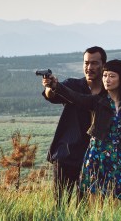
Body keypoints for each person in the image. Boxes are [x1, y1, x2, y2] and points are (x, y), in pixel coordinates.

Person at [49, 59, 121, 200]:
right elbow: (75, 97)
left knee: (118, 207)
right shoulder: (97, 101)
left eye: (112, 76)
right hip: (96, 159)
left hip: (120, 161)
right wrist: (55, 85)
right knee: (94, 208)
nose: (107, 80)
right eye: (105, 75)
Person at [42, 46, 106, 205]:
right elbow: (52, 96)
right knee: (59, 206)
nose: (89, 67)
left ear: (103, 65)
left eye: (94, 63)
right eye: (86, 63)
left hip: (92, 159)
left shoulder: (109, 91)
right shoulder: (73, 84)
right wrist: (50, 86)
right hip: (66, 155)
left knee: (84, 210)